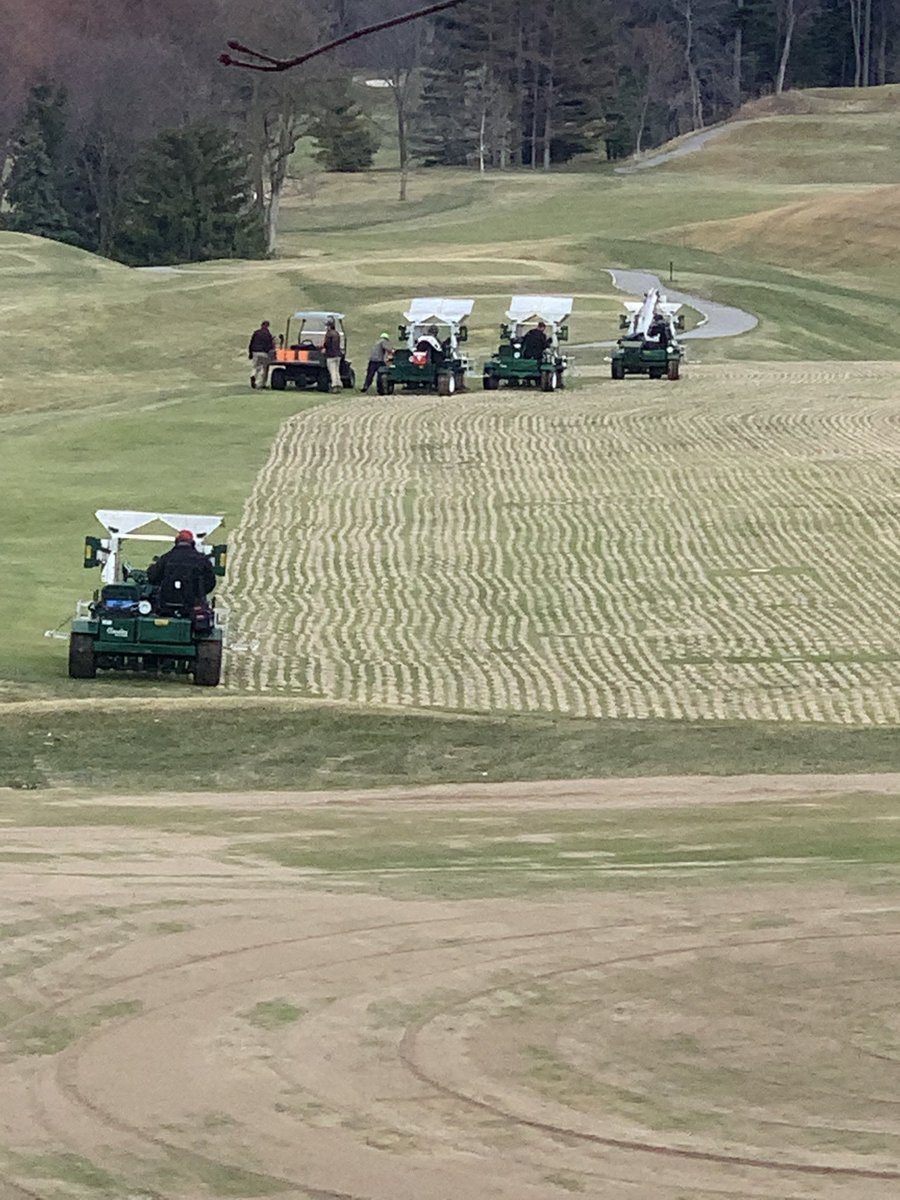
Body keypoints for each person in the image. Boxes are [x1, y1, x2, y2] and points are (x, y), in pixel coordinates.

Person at [147, 530, 217, 614]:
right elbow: (210, 582)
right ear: (192, 542)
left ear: (176, 542)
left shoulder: (166, 558)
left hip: (166, 606)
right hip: (193, 607)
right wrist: (199, 593)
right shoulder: (202, 560)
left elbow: (153, 576)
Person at [248, 320, 275, 389]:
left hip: (255, 352)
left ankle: (253, 375)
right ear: (268, 326)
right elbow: (270, 345)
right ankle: (262, 384)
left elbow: (251, 343)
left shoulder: (256, 333)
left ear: (261, 325)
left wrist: (250, 353)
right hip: (264, 353)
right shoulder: (268, 334)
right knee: (265, 368)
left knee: (255, 367)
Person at [322, 317, 343, 392]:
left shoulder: (329, 334)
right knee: (337, 371)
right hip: (338, 355)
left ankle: (334, 386)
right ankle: (339, 385)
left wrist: (324, 348)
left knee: (332, 371)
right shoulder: (336, 333)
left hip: (331, 355)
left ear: (329, 326)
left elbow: (326, 344)